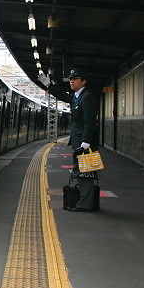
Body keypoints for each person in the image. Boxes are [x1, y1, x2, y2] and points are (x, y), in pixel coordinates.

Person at [39, 67, 100, 211]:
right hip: (80, 143)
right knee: (81, 172)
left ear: (83, 81)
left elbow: (89, 122)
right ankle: (84, 202)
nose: (71, 81)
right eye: (71, 79)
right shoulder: (77, 96)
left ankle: (85, 205)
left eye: (75, 79)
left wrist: (86, 141)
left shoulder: (88, 97)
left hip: (85, 144)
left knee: (86, 173)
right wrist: (49, 86)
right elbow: (64, 96)